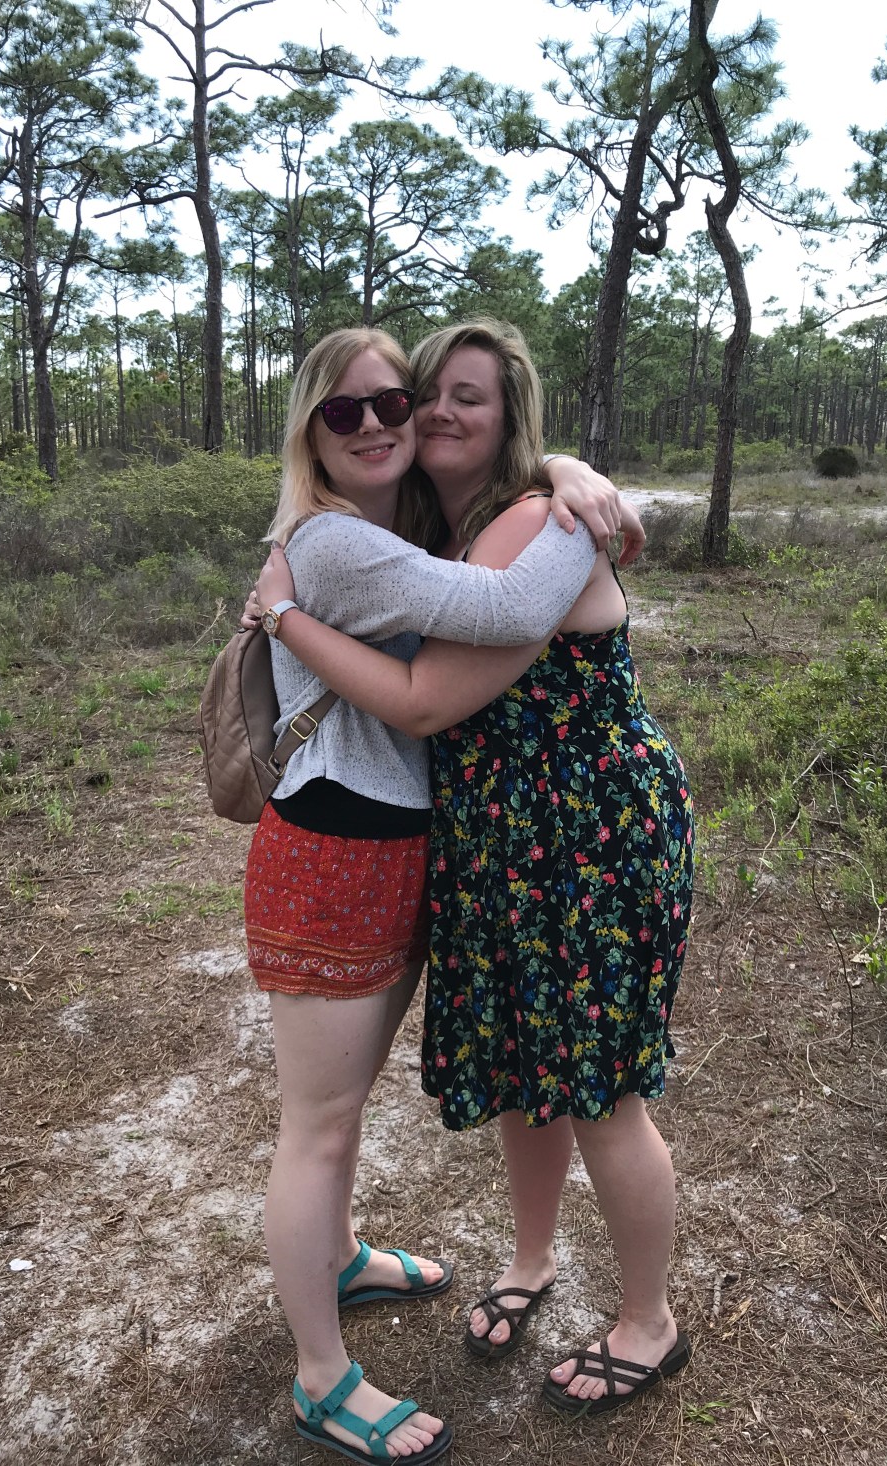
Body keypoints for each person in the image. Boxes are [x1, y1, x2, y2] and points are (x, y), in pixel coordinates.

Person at [253, 318, 693, 1421]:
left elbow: (425, 701)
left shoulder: (539, 522)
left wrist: (286, 613)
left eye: (465, 397)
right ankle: (531, 1258)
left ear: (511, 419)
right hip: (502, 841)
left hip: (589, 841)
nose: (429, 414)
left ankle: (648, 1321)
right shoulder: (424, 536)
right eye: (421, 395)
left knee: (601, 1091)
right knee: (523, 1072)